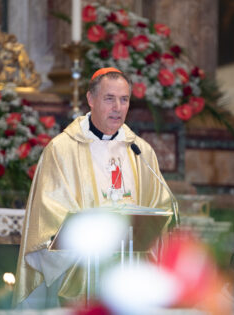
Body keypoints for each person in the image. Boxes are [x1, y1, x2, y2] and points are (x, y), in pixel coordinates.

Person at [12, 67, 174, 308]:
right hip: (81, 273)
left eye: (124, 100)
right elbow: (47, 219)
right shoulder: (62, 150)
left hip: (131, 276)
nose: (118, 107)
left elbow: (160, 212)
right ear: (91, 99)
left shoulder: (139, 151)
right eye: (109, 99)